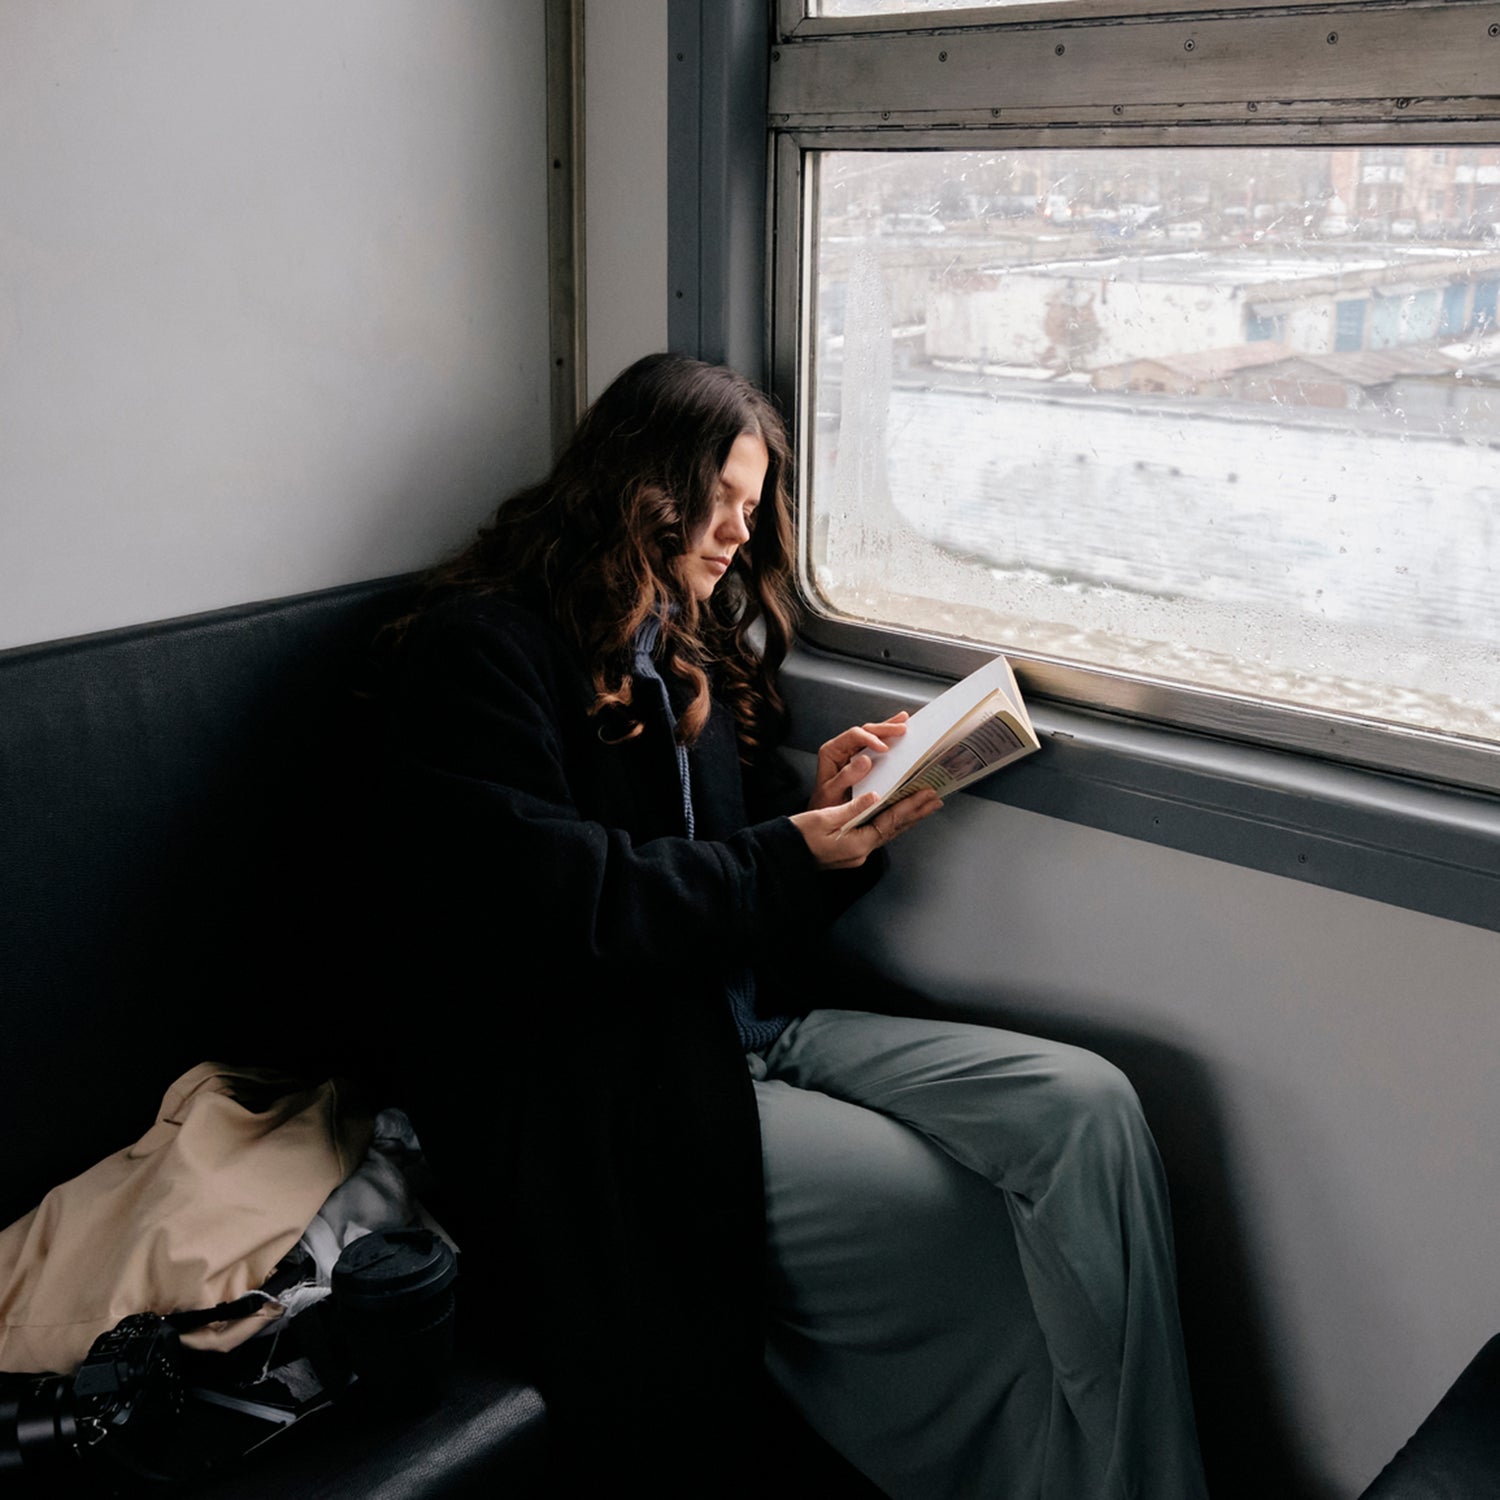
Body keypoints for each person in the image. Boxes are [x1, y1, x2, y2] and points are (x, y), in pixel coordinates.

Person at [377, 352, 1207, 1498]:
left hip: (748, 1024)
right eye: (714, 503)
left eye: (748, 513)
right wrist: (778, 852)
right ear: (634, 486)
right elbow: (572, 902)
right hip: (613, 1075)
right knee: (961, 1225)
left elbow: (724, 874)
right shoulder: (477, 652)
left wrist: (821, 818)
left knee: (1089, 1107)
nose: (731, 536)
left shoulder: (679, 651)